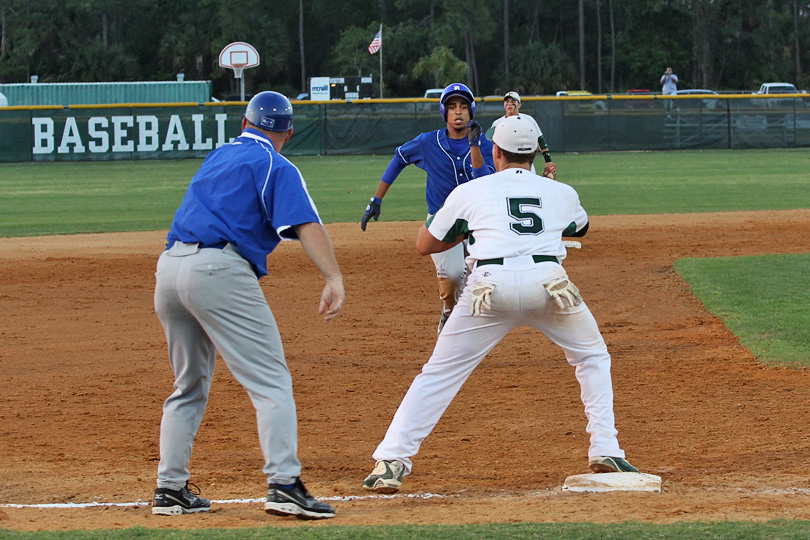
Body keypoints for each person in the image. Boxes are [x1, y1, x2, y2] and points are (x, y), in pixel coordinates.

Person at [362, 115, 639, 494]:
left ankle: (392, 459)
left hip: (489, 289)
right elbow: (579, 227)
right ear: (532, 154)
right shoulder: (562, 191)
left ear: (495, 151)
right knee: (592, 357)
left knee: (440, 373)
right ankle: (606, 446)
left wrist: (462, 228)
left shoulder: (472, 191)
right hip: (551, 285)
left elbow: (425, 245)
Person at [152, 91, 344, 520]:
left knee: (188, 386)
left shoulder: (218, 155)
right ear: (288, 133)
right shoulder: (276, 163)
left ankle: (170, 488)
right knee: (271, 381)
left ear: (245, 123)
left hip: (169, 268)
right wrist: (333, 277)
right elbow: (306, 224)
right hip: (218, 269)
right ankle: (284, 484)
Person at [360, 82, 495, 335]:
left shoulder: (486, 146)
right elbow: (399, 158)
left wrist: (475, 145)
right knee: (454, 276)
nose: (458, 112)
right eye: (452, 106)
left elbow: (484, 179)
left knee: (486, 280)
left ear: (472, 111)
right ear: (444, 112)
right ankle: (448, 311)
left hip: (479, 222)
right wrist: (377, 199)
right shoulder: (427, 142)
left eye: (464, 107)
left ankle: (467, 324)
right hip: (443, 221)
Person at [489, 91, 556, 179]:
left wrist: (548, 161)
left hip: (527, 166)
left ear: (519, 105)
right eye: (507, 102)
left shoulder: (528, 120)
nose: (509, 104)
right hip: (505, 166)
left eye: (513, 102)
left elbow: (540, 139)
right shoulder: (497, 123)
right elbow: (490, 143)